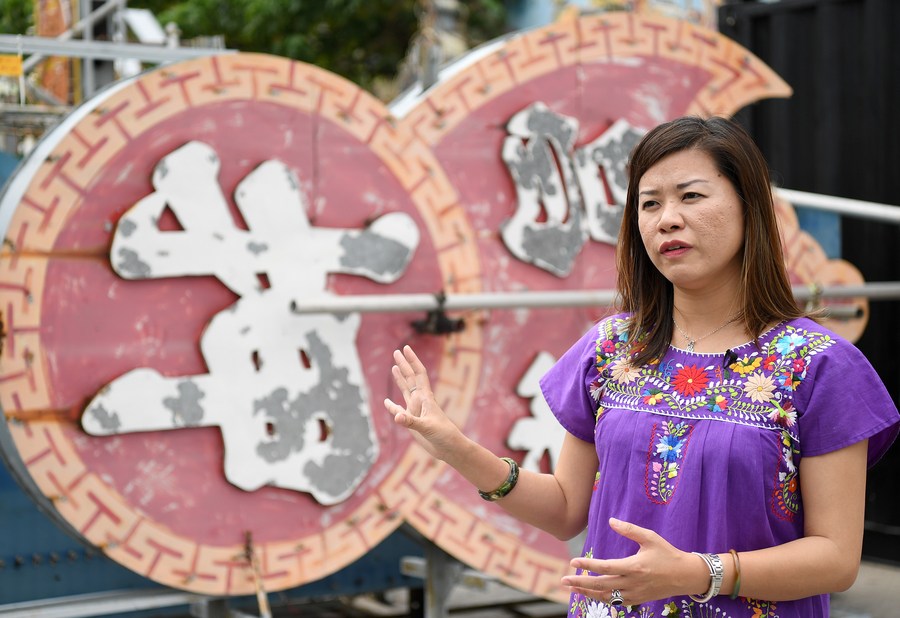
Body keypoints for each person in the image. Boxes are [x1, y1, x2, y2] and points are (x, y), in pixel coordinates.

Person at [383, 115, 900, 617]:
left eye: (690, 196)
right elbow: (565, 509)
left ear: (750, 207)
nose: (666, 219)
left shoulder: (817, 365)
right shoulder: (611, 348)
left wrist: (699, 573)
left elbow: (836, 558)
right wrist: (457, 449)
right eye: (649, 204)